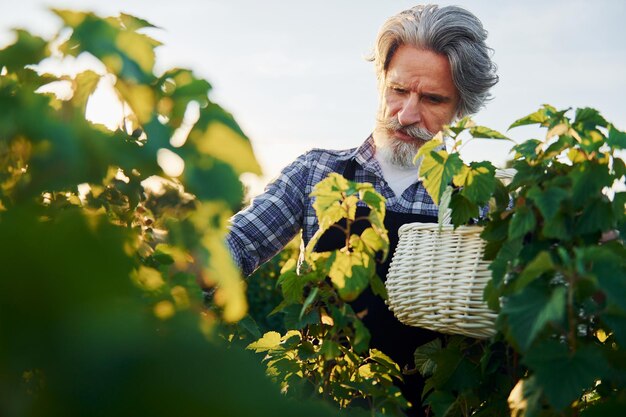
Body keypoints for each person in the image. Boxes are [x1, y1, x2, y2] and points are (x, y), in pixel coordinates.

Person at [226, 4, 498, 416]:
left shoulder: (477, 199)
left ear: (461, 110)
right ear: (381, 82)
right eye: (398, 90)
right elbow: (239, 242)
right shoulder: (318, 172)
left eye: (432, 99)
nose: (407, 115)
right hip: (323, 402)